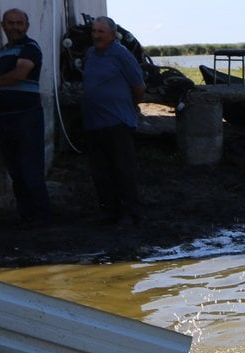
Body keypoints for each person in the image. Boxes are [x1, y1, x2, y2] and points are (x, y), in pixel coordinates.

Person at [0, 8, 52, 227]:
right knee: (16, 171)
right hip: (4, 117)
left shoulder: (30, 48)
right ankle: (26, 217)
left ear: (27, 26)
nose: (15, 27)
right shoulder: (1, 53)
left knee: (31, 170)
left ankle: (42, 219)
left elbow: (20, 74)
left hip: (26, 117)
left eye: (19, 23)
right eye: (10, 23)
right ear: (3, 26)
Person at [80, 16, 145, 226]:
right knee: (100, 170)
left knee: (122, 169)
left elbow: (139, 86)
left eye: (101, 32)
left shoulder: (122, 54)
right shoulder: (90, 54)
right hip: (93, 122)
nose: (96, 36)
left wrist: (131, 105)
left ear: (112, 34)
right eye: (94, 31)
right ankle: (109, 211)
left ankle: (131, 213)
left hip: (117, 121)